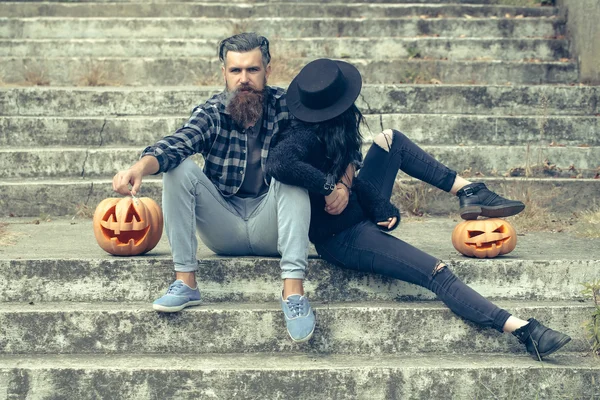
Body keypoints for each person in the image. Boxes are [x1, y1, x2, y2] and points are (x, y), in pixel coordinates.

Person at [265, 58, 571, 360]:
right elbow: (279, 162)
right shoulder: (302, 136)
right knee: (436, 271)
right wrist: (329, 187)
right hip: (343, 237)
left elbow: (355, 183)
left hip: (358, 214)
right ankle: (523, 330)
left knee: (390, 140)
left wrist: (380, 206)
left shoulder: (340, 130)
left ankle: (468, 190)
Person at [112, 33, 316, 343]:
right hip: (225, 225)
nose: (244, 79)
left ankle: (293, 294)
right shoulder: (212, 112)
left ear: (267, 71)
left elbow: (327, 141)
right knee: (177, 169)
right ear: (224, 73)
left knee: (292, 176)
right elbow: (178, 143)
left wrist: (343, 180)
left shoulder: (287, 107)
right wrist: (140, 166)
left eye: (252, 70)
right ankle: (186, 282)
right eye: (236, 71)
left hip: (272, 224)